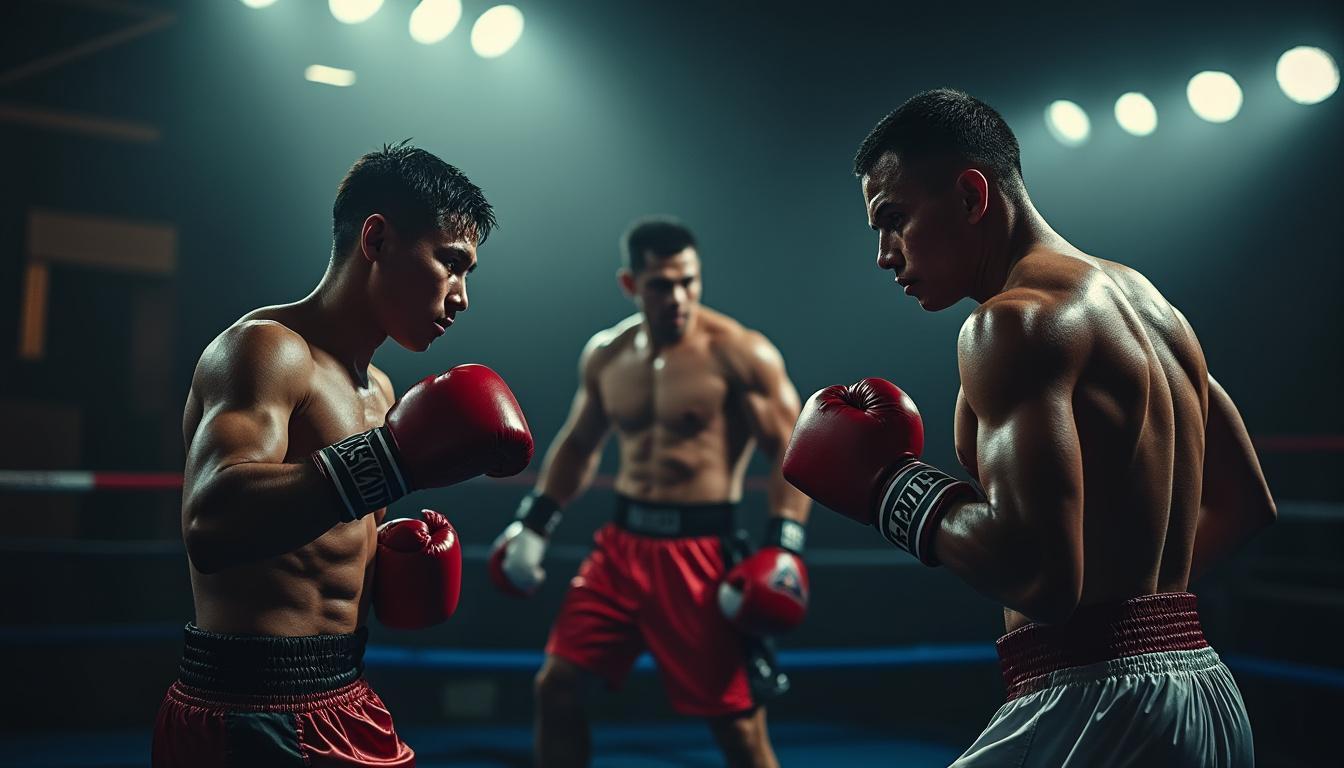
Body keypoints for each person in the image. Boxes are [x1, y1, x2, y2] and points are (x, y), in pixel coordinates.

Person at [783, 89, 1275, 767]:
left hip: (1094, 706)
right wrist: (1134, 604)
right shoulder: (1152, 307)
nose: (883, 254)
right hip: (1204, 692)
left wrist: (886, 485)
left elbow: (1039, 578)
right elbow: (1246, 503)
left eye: (893, 218)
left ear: (970, 196)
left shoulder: (1009, 325)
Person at [152, 142, 534, 767]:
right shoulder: (269, 351)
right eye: (449, 263)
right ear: (377, 240)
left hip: (346, 695)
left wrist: (399, 561)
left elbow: (322, 538)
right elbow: (210, 522)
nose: (461, 297)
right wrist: (393, 461)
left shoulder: (381, 391)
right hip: (250, 711)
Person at [489, 217, 811, 768]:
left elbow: (792, 451)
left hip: (703, 556)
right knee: (555, 687)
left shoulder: (740, 353)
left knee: (738, 729)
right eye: (662, 284)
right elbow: (579, 444)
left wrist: (783, 543)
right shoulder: (607, 355)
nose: (678, 297)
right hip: (621, 548)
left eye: (689, 281)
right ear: (631, 284)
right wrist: (535, 521)